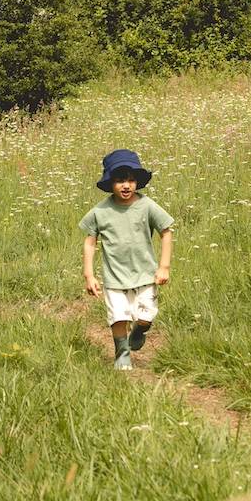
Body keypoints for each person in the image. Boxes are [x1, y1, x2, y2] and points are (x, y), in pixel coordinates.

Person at [80, 149, 174, 371]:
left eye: (131, 180)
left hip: (145, 274)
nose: (126, 185)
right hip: (114, 277)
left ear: (137, 183)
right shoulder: (100, 212)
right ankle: (122, 353)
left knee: (147, 315)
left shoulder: (147, 205)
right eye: (120, 180)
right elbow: (89, 242)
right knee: (118, 317)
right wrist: (89, 275)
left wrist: (164, 266)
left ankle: (140, 329)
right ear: (110, 182)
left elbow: (166, 231)